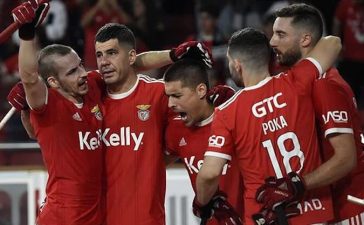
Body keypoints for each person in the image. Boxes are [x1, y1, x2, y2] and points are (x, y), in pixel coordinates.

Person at [194, 27, 341, 225]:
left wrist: (202, 203)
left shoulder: (227, 112)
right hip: (314, 210)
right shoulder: (296, 81)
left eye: (229, 61)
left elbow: (209, 174)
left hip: (264, 216)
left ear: (237, 65)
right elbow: (333, 42)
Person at [94, 23, 212, 225]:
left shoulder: (159, 94)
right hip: (96, 219)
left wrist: (149, 162)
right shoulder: (91, 94)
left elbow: (187, 133)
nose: (103, 62)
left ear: (131, 56)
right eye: (99, 55)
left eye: (111, 53)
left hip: (146, 219)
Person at [11, 1, 105, 224]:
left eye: (81, 65)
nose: (83, 73)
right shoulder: (48, 104)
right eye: (72, 71)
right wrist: (26, 32)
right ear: (53, 81)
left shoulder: (90, 86)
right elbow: (30, 77)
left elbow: (130, 66)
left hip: (96, 212)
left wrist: (171, 56)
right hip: (63, 215)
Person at [270, 3, 364, 223]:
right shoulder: (307, 82)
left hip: (353, 205)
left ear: (305, 39)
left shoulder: (325, 84)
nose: (272, 41)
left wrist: (297, 184)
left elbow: (346, 158)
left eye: (280, 34)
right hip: (335, 203)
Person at [164, 58, 242, 225]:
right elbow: (156, 165)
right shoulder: (176, 130)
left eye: (177, 95)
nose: (170, 104)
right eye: (168, 97)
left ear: (201, 90)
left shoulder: (234, 120)